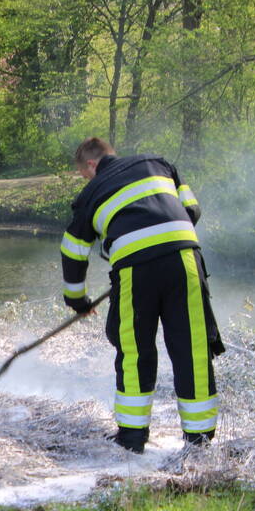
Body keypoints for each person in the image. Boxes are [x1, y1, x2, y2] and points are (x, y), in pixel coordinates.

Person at [61, 137, 223, 453]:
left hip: (135, 271)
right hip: (185, 261)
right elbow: (191, 209)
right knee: (192, 348)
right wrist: (163, 241)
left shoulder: (91, 192)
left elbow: (72, 250)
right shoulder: (160, 164)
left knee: (136, 350)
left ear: (91, 165)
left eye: (84, 173)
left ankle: (132, 440)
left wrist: (78, 301)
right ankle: (199, 442)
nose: (86, 179)